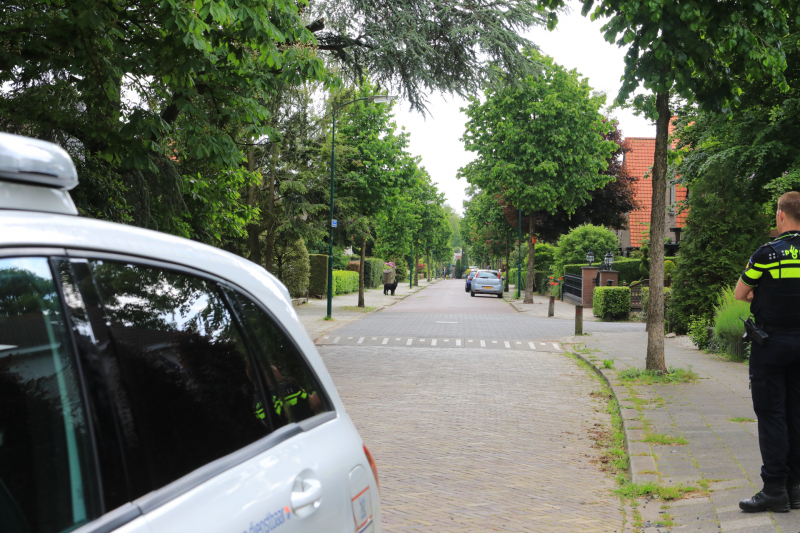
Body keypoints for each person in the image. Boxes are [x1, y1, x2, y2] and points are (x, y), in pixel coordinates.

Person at [736, 191, 800, 513]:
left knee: (772, 416)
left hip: (772, 345)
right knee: (797, 414)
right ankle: (797, 488)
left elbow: (740, 293)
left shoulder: (766, 254)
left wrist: (762, 297)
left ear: (780, 216)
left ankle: (775, 489)